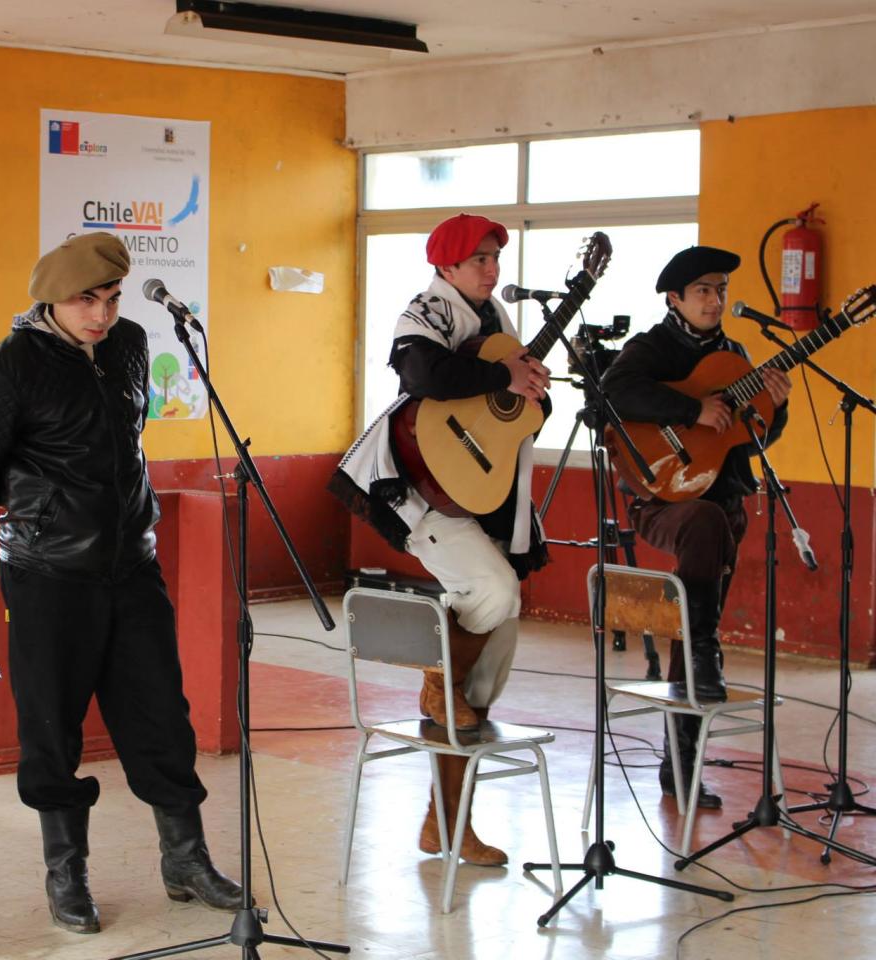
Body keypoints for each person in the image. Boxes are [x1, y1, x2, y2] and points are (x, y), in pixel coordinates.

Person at [0, 232, 240, 935]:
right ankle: (66, 875)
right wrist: (42, 505)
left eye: (110, 299)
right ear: (51, 299)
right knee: (52, 727)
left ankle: (186, 859)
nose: (101, 315)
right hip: (48, 574)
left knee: (161, 715)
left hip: (132, 565)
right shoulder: (10, 366)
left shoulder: (131, 344)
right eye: (87, 301)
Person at [329, 214, 551, 867]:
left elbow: (515, 406)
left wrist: (531, 392)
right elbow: (422, 376)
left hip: (480, 488)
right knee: (493, 589)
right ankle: (438, 677)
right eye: (478, 258)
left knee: (495, 639)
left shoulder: (501, 321)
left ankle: (446, 823)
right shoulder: (426, 308)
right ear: (448, 266)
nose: (491, 269)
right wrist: (501, 380)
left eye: (495, 258)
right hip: (416, 483)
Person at [602, 245, 790, 808]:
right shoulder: (649, 349)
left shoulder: (736, 354)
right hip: (662, 495)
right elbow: (613, 393)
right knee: (702, 548)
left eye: (722, 290)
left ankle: (680, 763)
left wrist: (775, 411)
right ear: (675, 298)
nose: (716, 300)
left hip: (721, 498)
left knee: (693, 616)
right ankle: (705, 651)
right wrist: (689, 410)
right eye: (704, 290)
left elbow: (746, 439)